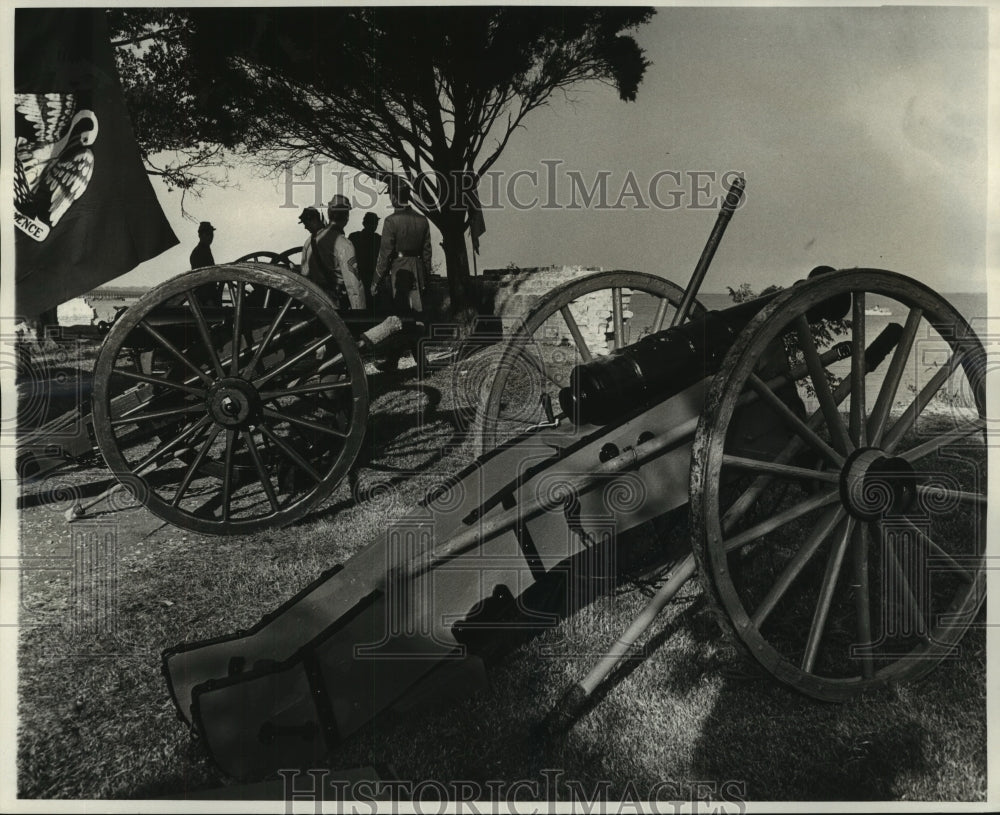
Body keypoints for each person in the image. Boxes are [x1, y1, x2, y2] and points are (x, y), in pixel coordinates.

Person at [371, 182, 431, 370]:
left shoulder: (391, 221)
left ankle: (403, 361)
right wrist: (425, 276)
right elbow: (427, 252)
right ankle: (414, 361)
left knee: (400, 317)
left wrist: (376, 280)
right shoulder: (422, 220)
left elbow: (384, 254)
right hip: (418, 271)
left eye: (390, 195)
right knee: (415, 318)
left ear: (395, 197)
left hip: (400, 272)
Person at [298, 200, 365, 310]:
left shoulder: (308, 242)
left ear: (329, 214)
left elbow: (304, 275)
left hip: (316, 303)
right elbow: (353, 285)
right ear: (346, 217)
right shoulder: (344, 244)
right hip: (337, 304)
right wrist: (359, 313)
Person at [349, 212, 381, 302]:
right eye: (373, 223)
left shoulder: (354, 237)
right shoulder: (378, 239)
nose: (374, 226)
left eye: (375, 223)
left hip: (360, 278)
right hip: (371, 278)